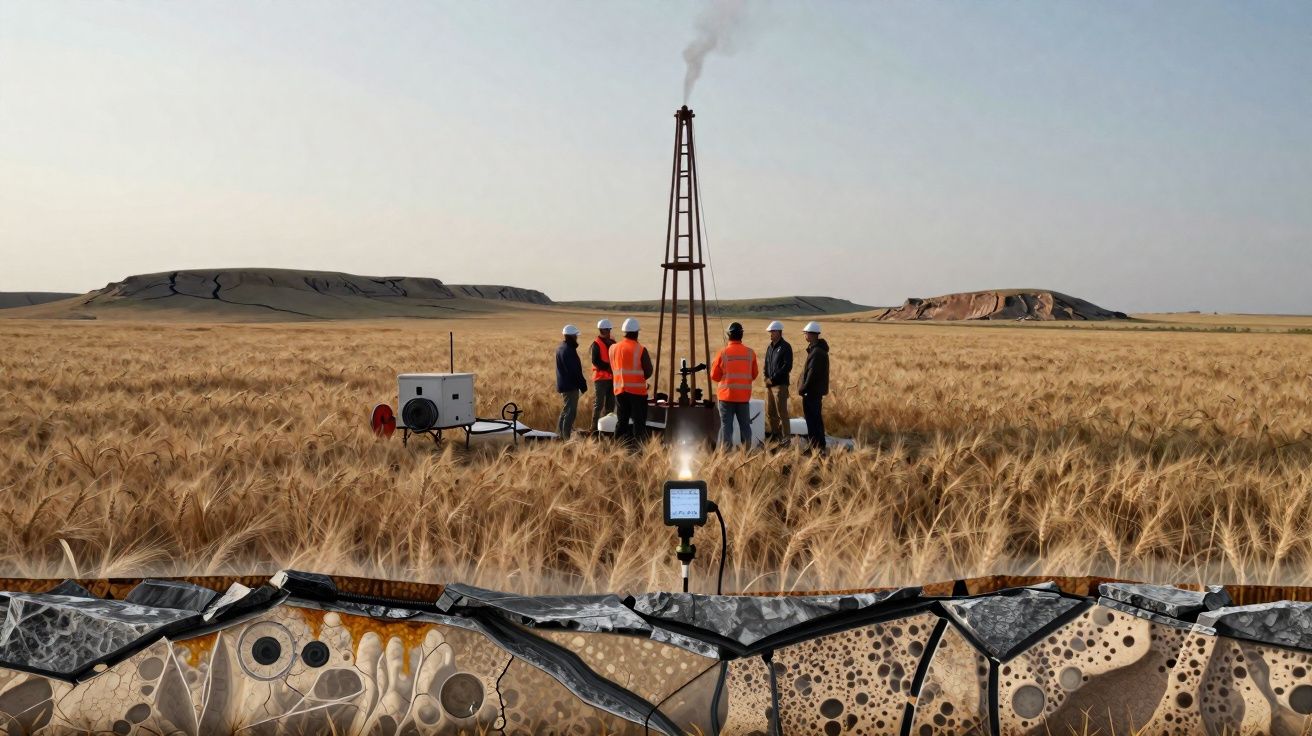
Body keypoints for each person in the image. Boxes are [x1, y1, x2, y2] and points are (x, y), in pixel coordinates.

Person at [710, 321, 760, 448]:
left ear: (728, 335)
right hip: (743, 397)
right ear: (741, 335)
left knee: (726, 427)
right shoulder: (750, 353)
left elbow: (714, 376)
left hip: (726, 397)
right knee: (745, 426)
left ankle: (725, 455)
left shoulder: (722, 353)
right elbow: (754, 374)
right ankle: (747, 453)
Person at [609, 317, 653, 444]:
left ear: (624, 332)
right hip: (637, 393)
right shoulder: (640, 349)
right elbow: (648, 371)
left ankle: (616, 448)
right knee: (638, 423)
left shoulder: (613, 348)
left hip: (619, 391)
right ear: (637, 333)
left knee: (621, 421)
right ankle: (639, 450)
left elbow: (612, 367)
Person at [797, 321, 829, 452]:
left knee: (812, 420)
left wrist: (803, 389)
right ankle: (819, 444)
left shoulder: (816, 352)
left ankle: (815, 446)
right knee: (816, 419)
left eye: (806, 333)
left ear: (812, 334)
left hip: (811, 393)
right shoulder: (818, 350)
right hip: (814, 392)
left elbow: (812, 375)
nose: (805, 335)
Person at [555, 324, 588, 440]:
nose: (576, 338)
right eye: (575, 336)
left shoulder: (561, 347)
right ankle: (565, 438)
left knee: (565, 410)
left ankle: (559, 434)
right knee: (570, 412)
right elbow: (574, 371)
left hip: (564, 384)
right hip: (570, 386)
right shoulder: (569, 350)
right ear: (572, 336)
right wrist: (583, 385)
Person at [762, 320, 793, 444]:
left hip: (780, 385)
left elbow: (787, 366)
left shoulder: (785, 347)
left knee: (782, 413)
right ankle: (775, 435)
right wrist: (766, 378)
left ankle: (786, 438)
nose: (770, 334)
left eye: (773, 331)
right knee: (771, 413)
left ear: (779, 332)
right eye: (770, 332)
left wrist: (773, 378)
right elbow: (766, 364)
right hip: (770, 385)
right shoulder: (770, 347)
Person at [590, 319, 617, 432]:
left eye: (610, 329)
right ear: (601, 330)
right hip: (601, 379)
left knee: (610, 406)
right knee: (599, 405)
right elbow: (595, 361)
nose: (609, 331)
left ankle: (607, 429)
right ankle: (594, 429)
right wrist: (608, 368)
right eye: (607, 329)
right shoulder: (596, 344)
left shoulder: (613, 342)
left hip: (612, 379)